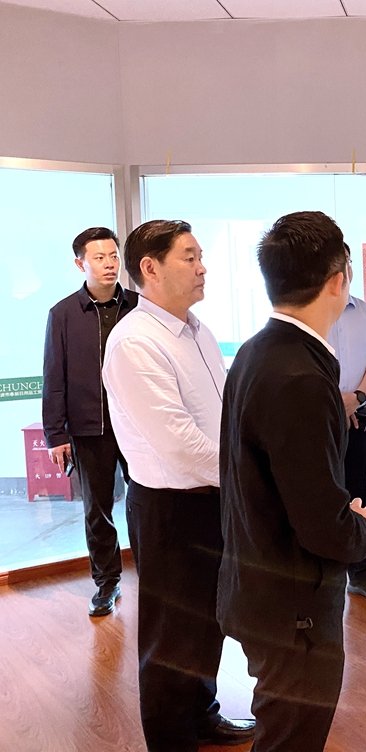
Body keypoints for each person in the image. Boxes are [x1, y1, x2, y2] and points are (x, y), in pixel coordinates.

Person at [218, 211, 366, 752]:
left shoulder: (256, 351)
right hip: (293, 606)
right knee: (291, 736)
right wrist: (363, 528)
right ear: (338, 280)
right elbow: (320, 525)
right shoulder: (301, 377)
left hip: (257, 587)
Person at [102, 220, 254, 751]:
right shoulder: (135, 342)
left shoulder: (197, 331)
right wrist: (252, 475)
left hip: (213, 498)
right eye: (189, 257)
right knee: (172, 631)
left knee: (209, 619)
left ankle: (201, 713)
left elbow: (222, 416)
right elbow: (179, 445)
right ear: (150, 268)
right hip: (170, 508)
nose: (202, 267)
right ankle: (171, 737)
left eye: (200, 256)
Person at [42, 227, 138, 617]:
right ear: (80, 263)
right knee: (97, 511)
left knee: (147, 502)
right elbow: (54, 376)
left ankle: (155, 574)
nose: (110, 264)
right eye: (99, 257)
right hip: (88, 428)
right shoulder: (63, 314)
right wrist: (55, 434)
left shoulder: (139, 306)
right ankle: (107, 582)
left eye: (114, 255)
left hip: (138, 427)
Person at [327, 242, 366, 605]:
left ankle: (360, 572)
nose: (344, 268)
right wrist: (334, 403)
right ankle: (325, 574)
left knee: (358, 491)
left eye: (347, 261)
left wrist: (355, 398)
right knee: (324, 493)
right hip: (320, 416)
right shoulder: (313, 313)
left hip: (359, 416)